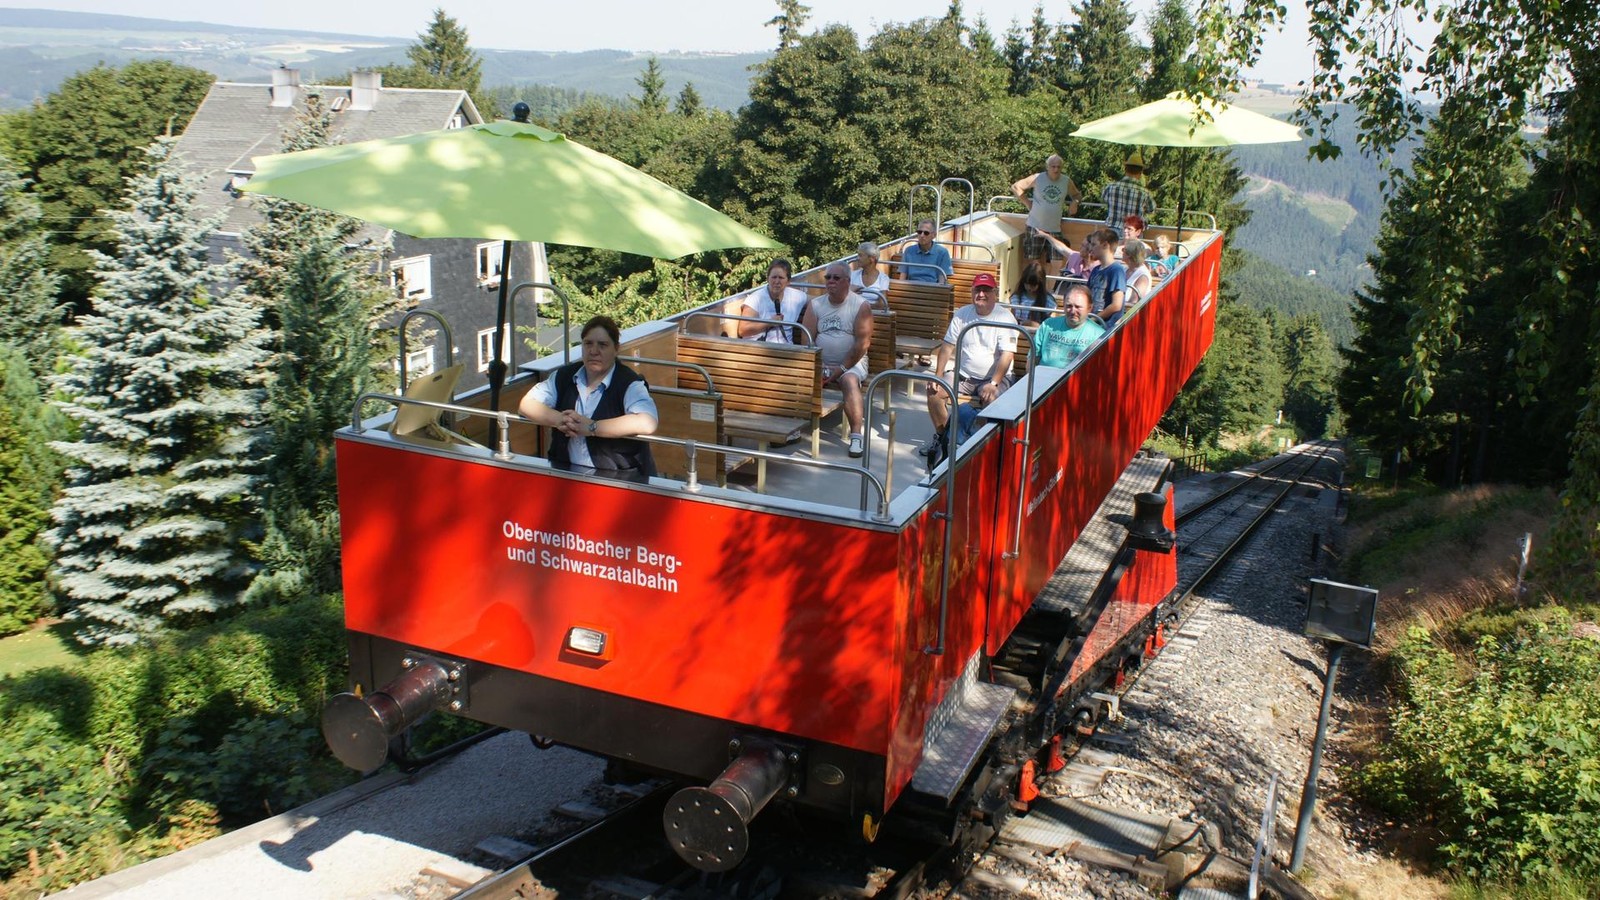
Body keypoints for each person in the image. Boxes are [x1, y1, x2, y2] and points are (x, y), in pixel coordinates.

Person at [518, 315, 657, 479]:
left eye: (602, 345)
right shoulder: (564, 376)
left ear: (616, 349)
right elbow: (526, 404)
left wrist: (592, 427)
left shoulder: (629, 383)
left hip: (617, 479)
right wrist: (559, 419)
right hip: (566, 474)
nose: (594, 351)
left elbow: (647, 423)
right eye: (588, 343)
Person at [924, 273, 1018, 459]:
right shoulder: (962, 314)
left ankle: (980, 448)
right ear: (972, 292)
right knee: (933, 391)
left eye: (986, 290)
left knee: (992, 399)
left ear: (995, 293)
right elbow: (947, 346)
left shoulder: (1005, 318)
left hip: (995, 378)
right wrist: (938, 375)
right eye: (978, 290)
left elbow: (1007, 355)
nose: (981, 294)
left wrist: (994, 383)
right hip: (964, 375)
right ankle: (944, 438)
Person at [802, 262, 874, 458]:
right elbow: (807, 340)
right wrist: (818, 364)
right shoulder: (816, 305)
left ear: (847, 281)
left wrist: (841, 368)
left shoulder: (860, 306)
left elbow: (862, 344)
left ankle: (856, 435)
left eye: (836, 278)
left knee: (849, 380)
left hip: (852, 363)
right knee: (793, 373)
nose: (831, 281)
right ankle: (790, 427)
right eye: (828, 277)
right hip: (821, 362)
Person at [1012, 154, 1081, 275]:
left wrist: (1075, 202)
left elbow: (1077, 195)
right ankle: (1037, 285)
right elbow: (1016, 186)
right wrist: (1028, 203)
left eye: (1059, 167)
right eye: (1053, 166)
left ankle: (1050, 287)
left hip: (1055, 228)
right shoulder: (1037, 178)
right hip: (1035, 226)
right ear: (1047, 167)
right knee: (1034, 264)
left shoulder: (1066, 181)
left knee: (1057, 263)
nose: (1056, 170)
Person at [1033, 285, 1105, 368]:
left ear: (1089, 308)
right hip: (1045, 375)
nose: (1073, 311)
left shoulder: (1099, 336)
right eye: (1069, 306)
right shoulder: (1048, 325)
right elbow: (1032, 360)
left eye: (1078, 307)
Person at [739, 258, 809, 343]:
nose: (777, 281)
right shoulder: (755, 299)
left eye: (781, 278)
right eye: (774, 277)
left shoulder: (795, 296)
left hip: (787, 348)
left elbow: (817, 302)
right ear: (768, 279)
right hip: (760, 347)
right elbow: (743, 330)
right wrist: (769, 323)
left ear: (788, 281)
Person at [1102, 150, 1156, 230]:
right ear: (1141, 172)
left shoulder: (1111, 187)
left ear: (1125, 169)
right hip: (1133, 231)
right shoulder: (1144, 193)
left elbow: (1104, 199)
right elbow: (1151, 209)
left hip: (1112, 231)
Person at [1086, 229, 1128, 326]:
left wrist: (1094, 319)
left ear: (1105, 245)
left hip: (1106, 326)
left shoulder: (1116, 270)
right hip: (1091, 323)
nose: (1090, 249)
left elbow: (1116, 305)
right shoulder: (1096, 269)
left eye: (1094, 244)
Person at [898, 218, 952, 283]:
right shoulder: (909, 251)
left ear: (934, 235)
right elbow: (902, 277)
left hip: (932, 287)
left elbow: (941, 281)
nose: (922, 235)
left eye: (926, 233)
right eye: (919, 232)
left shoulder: (942, 252)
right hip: (912, 286)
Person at [850, 242, 890, 308]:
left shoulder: (883, 278)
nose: (857, 258)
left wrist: (861, 307)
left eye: (860, 255)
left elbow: (882, 304)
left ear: (872, 259)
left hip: (873, 313)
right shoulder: (853, 275)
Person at [1123, 238, 1153, 305]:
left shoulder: (1143, 276)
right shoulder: (1124, 269)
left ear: (1129, 254)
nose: (1121, 252)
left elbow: (1134, 302)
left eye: (1123, 250)